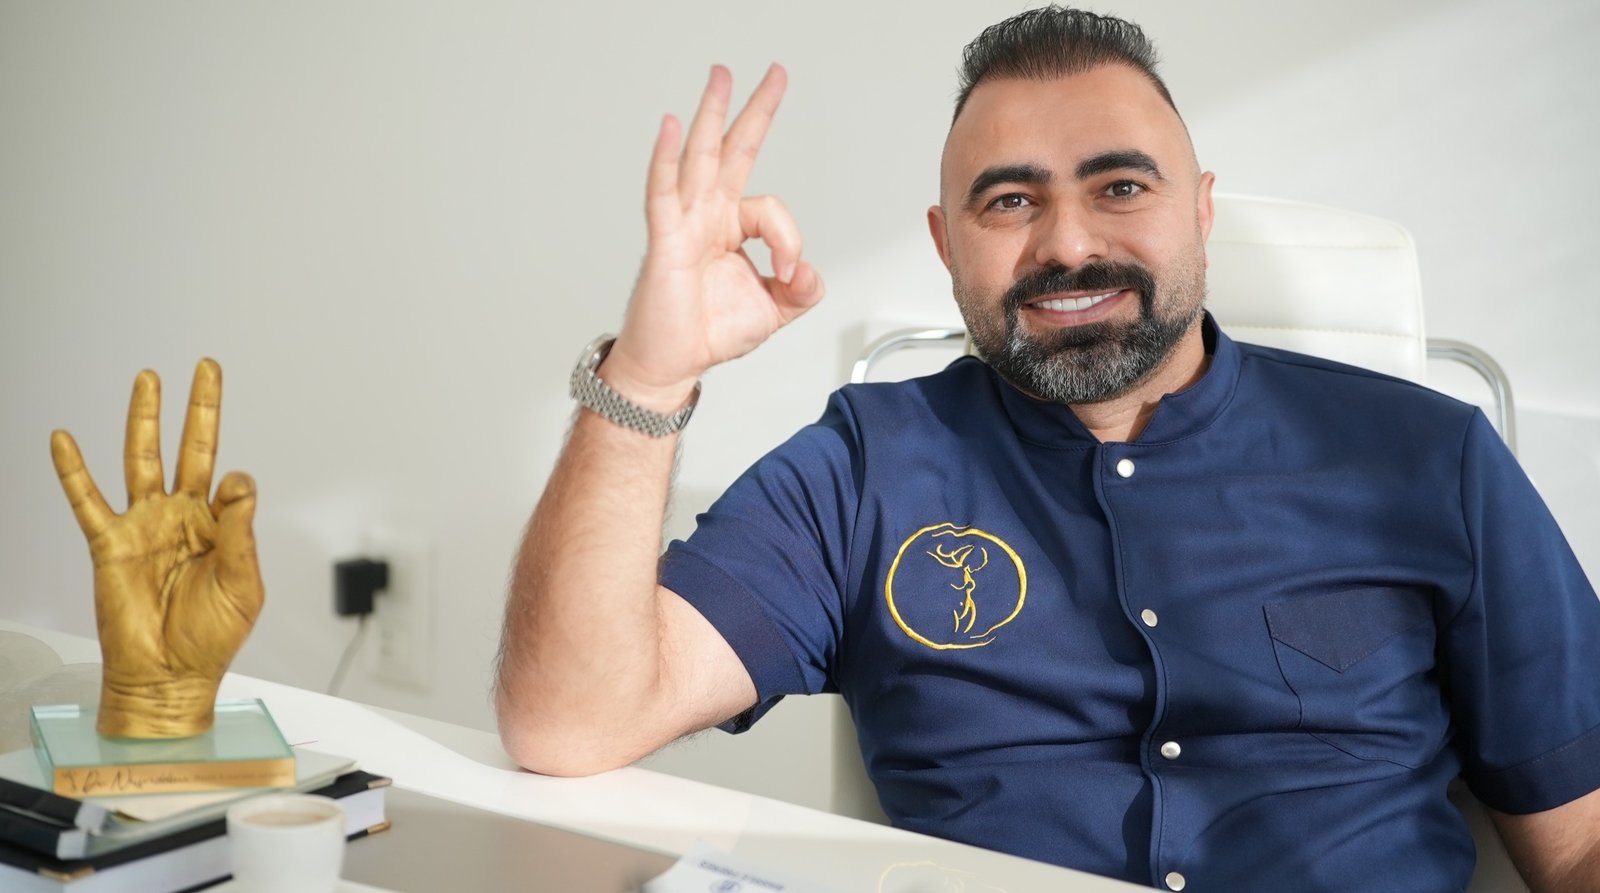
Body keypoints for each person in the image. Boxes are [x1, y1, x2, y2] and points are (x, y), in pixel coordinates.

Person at [494, 7, 1600, 890]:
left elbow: (1579, 839)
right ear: (946, 244)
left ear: (1200, 211)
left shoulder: (1427, 458)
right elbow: (570, 720)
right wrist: (647, 375)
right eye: (1010, 200)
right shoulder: (866, 466)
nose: (1067, 243)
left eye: (1120, 186)